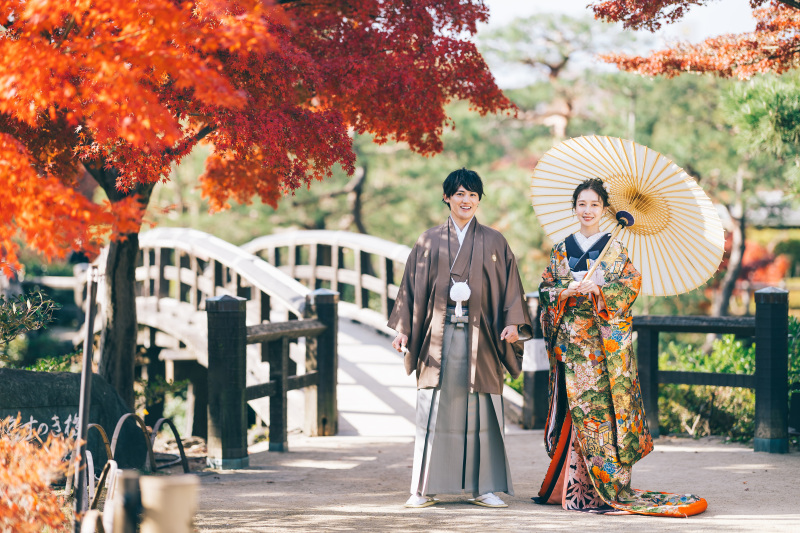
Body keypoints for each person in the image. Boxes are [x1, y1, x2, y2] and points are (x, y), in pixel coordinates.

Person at [534, 178, 707, 516]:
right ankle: (572, 489)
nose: (587, 211)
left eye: (595, 205)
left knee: (603, 417)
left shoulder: (615, 250)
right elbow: (545, 289)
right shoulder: (561, 249)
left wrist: (600, 291)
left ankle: (605, 490)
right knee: (575, 414)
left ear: (604, 210)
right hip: (570, 345)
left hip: (601, 350)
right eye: (582, 204)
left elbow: (629, 287)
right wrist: (566, 291)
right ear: (574, 208)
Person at [387, 168, 533, 509]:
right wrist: (404, 329)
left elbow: (512, 286)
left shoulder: (495, 241)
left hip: (481, 339)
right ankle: (424, 488)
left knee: (481, 409)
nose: (466, 200)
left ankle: (484, 488)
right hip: (437, 337)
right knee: (433, 409)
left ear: (479, 199)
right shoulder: (428, 240)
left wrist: (513, 324)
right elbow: (410, 288)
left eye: (472, 195)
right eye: (459, 194)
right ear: (447, 197)